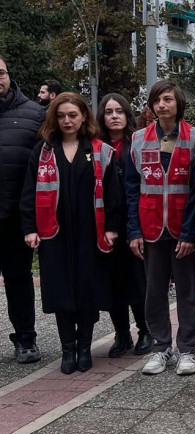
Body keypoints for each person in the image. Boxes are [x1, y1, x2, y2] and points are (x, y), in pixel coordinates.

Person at [20, 92, 121, 374]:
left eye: (73, 115)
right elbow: (29, 192)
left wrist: (113, 228)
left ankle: (85, 347)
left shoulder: (100, 150)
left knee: (87, 290)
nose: (67, 121)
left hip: (91, 232)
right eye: (61, 115)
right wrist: (29, 228)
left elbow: (113, 194)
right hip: (55, 233)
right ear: (54, 118)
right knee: (62, 291)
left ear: (84, 117)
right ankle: (68, 350)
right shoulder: (43, 151)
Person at [126, 79, 195, 376]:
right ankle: (161, 347)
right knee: (154, 290)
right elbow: (132, 188)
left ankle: (187, 349)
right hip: (150, 226)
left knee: (187, 291)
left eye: (168, 99)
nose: (162, 105)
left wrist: (191, 232)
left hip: (182, 226)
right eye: (157, 100)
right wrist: (134, 230)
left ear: (178, 102)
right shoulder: (139, 139)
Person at [97, 93, 152, 358]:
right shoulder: (94, 147)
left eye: (119, 111)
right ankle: (121, 334)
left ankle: (145, 330)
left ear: (127, 115)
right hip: (105, 225)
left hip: (132, 223)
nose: (114, 116)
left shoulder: (136, 144)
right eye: (109, 112)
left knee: (136, 282)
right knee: (112, 283)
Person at [0, 55, 44, 364]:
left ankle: (26, 339)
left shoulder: (34, 114)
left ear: (8, 74)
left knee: (18, 278)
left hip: (15, 215)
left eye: (0, 72)